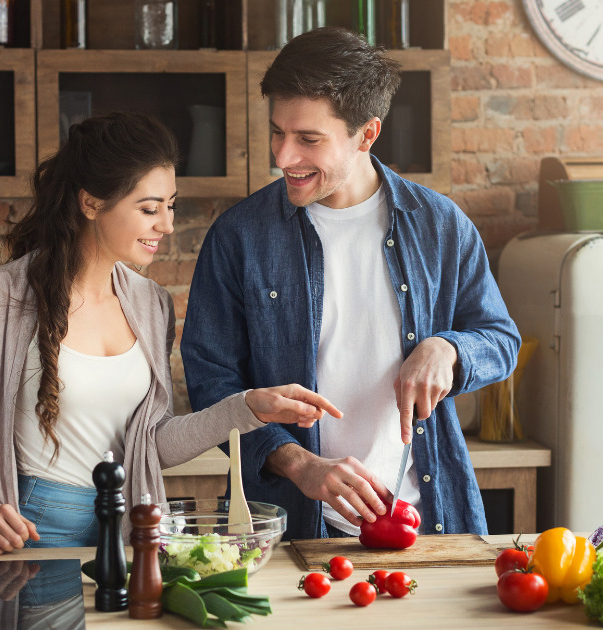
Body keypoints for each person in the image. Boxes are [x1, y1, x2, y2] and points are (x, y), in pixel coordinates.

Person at [0, 112, 341, 554]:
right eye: (149, 208)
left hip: (131, 529)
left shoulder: (151, 304)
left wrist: (247, 408)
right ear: (92, 203)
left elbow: (150, 445)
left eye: (170, 205)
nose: (167, 225)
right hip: (32, 529)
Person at [181, 28, 521, 541]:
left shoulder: (440, 226)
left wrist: (448, 349)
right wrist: (298, 463)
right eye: (278, 132)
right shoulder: (239, 237)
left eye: (309, 140)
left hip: (426, 520)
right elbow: (212, 383)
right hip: (290, 527)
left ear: (367, 133)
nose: (283, 156)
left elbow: (500, 339)